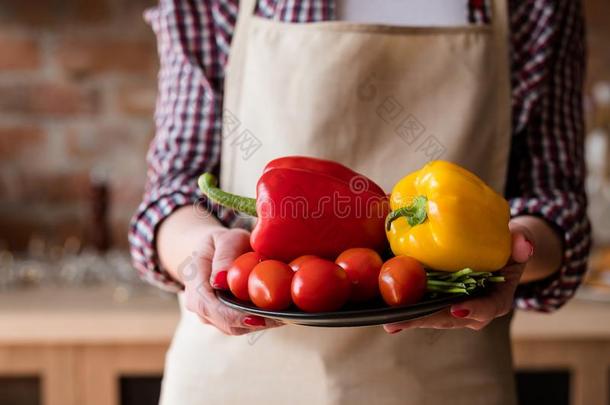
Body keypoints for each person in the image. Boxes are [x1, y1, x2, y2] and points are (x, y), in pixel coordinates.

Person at [129, 0, 590, 404]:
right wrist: (204, 249)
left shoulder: (537, 6)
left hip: (445, 382)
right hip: (237, 382)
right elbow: (173, 191)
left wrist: (513, 248)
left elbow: (556, 204)